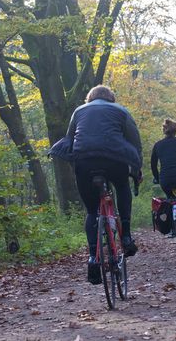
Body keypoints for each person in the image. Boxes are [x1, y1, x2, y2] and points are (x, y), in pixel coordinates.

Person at [49, 85, 142, 285]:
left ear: (89, 98)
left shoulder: (79, 111)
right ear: (111, 98)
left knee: (92, 211)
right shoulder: (120, 110)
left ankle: (93, 258)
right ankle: (126, 236)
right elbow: (135, 142)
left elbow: (70, 139)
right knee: (123, 187)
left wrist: (78, 166)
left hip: (85, 161)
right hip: (114, 159)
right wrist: (136, 170)